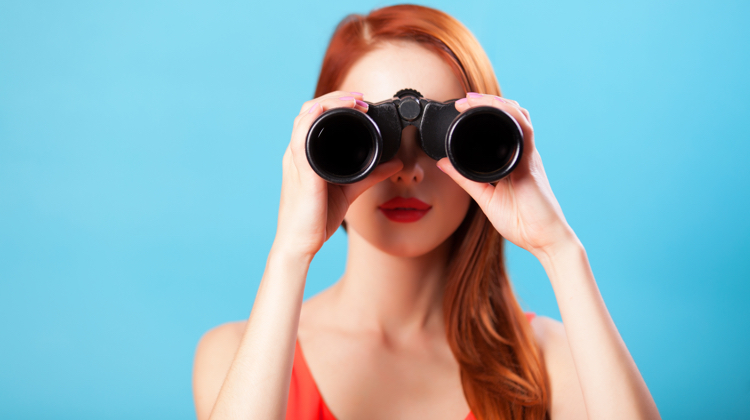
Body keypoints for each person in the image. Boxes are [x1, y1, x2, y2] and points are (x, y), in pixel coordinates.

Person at [191, 5, 661, 420]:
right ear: (322, 148)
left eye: (446, 142)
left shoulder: (554, 362)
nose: (408, 173)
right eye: (368, 140)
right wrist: (290, 252)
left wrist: (560, 249)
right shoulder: (233, 355)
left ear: (486, 150)